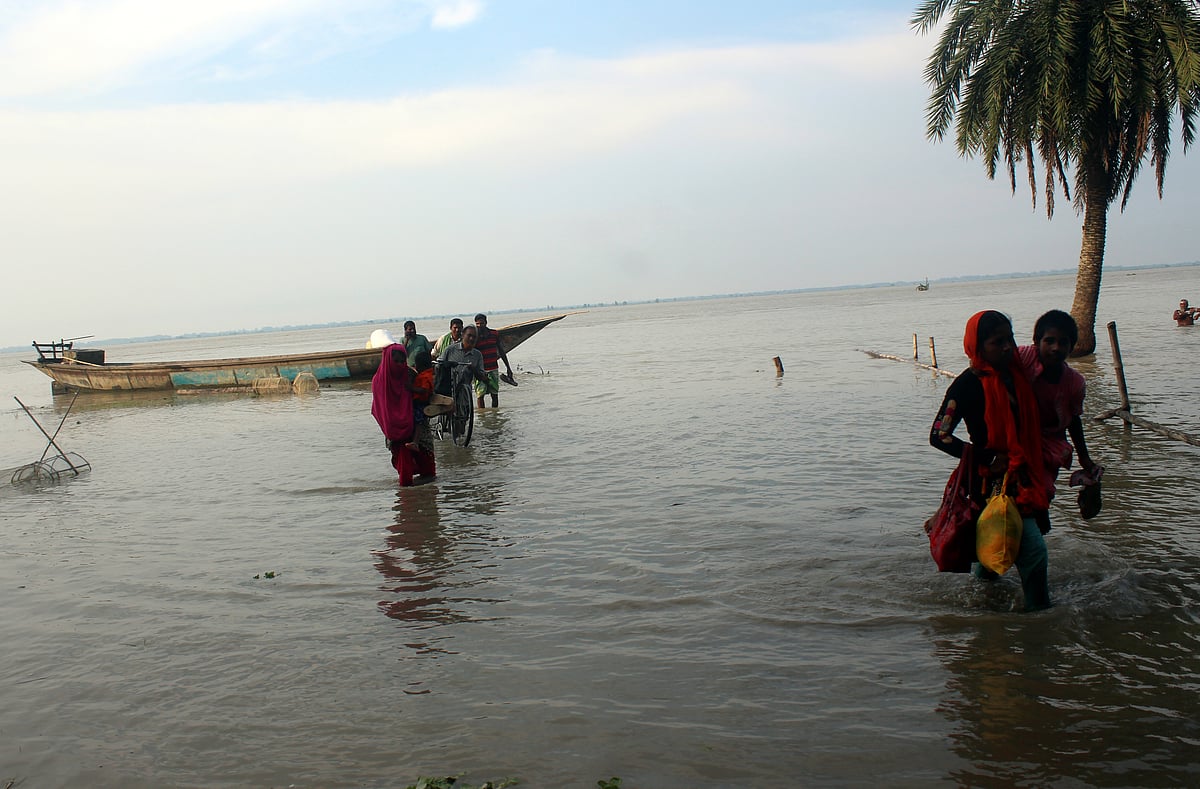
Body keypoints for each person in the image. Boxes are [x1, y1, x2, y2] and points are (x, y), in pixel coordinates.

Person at [930, 310, 1053, 611]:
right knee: (1033, 550)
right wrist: (986, 456)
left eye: (1010, 339)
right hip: (992, 479)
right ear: (978, 346)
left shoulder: (1017, 375)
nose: (1008, 347)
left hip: (1024, 474)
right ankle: (1040, 618)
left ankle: (984, 602)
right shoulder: (967, 385)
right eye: (998, 342)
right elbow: (939, 435)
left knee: (996, 538)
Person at [1016, 310, 1099, 527]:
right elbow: (993, 368)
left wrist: (1085, 458)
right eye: (1049, 341)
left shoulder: (1074, 382)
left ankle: (1039, 515)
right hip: (1015, 436)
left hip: (1048, 444)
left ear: (1071, 346)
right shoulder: (1023, 358)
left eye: (1063, 342)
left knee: (1042, 492)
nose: (1056, 348)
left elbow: (1073, 420)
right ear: (1036, 342)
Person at [371, 344, 419, 486]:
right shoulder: (379, 381)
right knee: (405, 475)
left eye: (402, 361)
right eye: (395, 361)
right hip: (394, 431)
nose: (399, 365)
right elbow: (380, 408)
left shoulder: (410, 375)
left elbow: (422, 394)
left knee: (427, 470)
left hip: (414, 425)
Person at [473, 313, 515, 408]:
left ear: (486, 323)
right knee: (480, 394)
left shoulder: (494, 334)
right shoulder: (474, 337)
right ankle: (482, 416)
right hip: (480, 370)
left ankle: (495, 415)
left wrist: (508, 368)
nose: (480, 326)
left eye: (482, 323)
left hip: (493, 368)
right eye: (477, 324)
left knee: (494, 394)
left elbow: (501, 351)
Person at [436, 324, 488, 397]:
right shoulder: (450, 350)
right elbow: (438, 366)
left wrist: (474, 369)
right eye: (469, 335)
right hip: (447, 390)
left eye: (474, 337)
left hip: (465, 392)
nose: (471, 339)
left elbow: (481, 377)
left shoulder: (477, 355)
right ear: (463, 335)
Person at [409, 350, 437, 480]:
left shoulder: (425, 376)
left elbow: (424, 390)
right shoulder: (427, 374)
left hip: (421, 404)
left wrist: (411, 388)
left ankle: (415, 441)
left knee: (419, 422)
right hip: (419, 402)